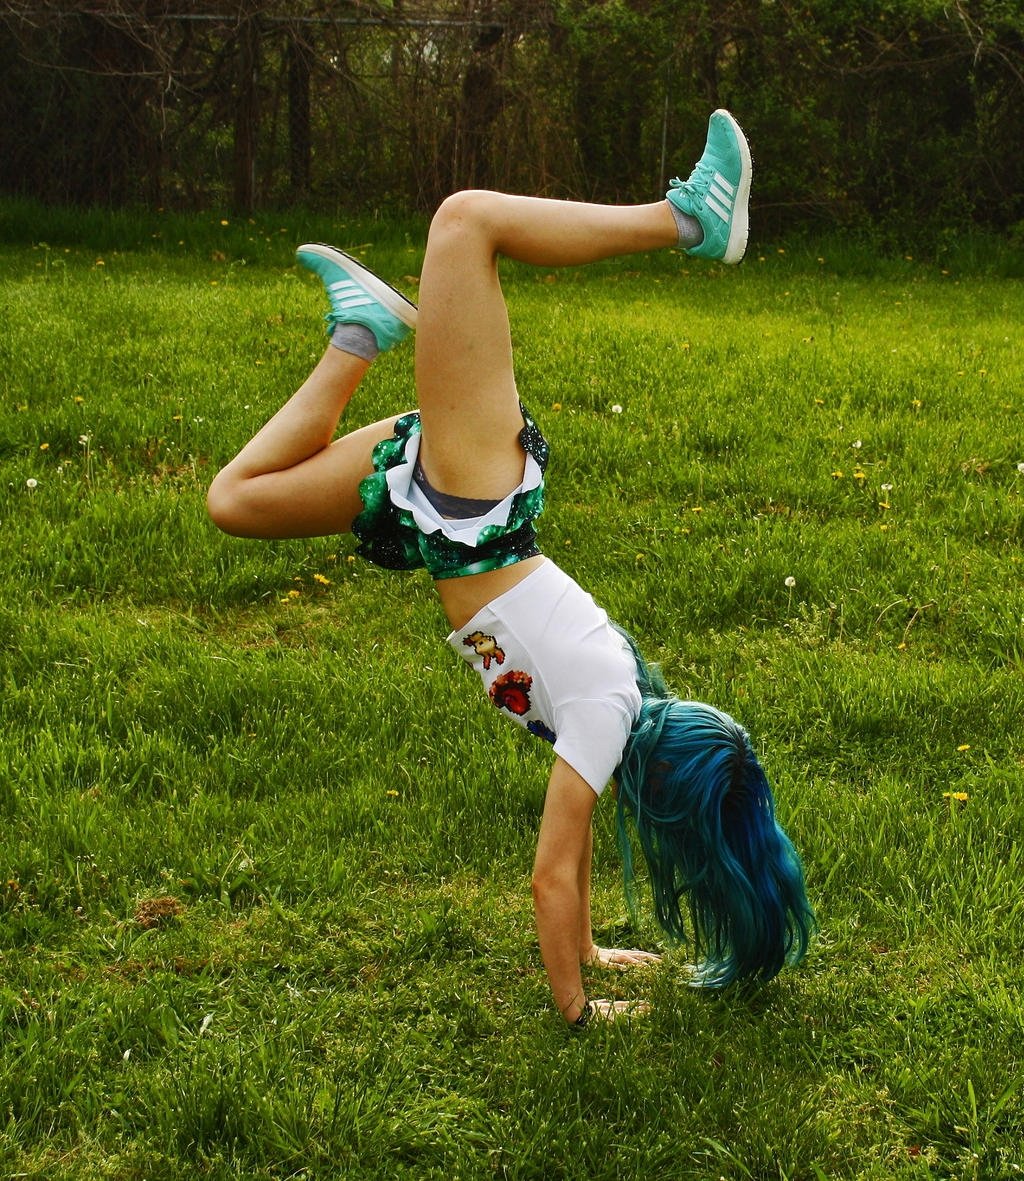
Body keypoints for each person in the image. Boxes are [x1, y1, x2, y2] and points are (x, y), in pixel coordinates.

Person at [206, 110, 814, 1027]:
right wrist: (582, 998)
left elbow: (561, 860)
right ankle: (686, 218)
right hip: (474, 500)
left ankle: (361, 332)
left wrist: (588, 965)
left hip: (448, 510)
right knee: (465, 223)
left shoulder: (609, 714)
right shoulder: (611, 709)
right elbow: (552, 873)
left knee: (236, 500)